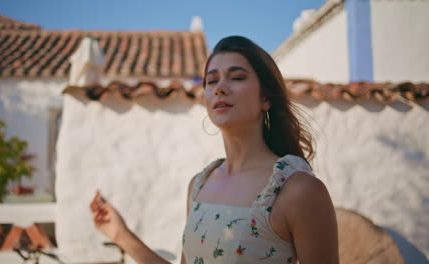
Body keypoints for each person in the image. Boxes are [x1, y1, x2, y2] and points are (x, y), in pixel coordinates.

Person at [90, 36, 339, 264]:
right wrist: (121, 235)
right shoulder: (199, 185)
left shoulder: (297, 190)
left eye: (237, 77)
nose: (220, 87)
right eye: (212, 80)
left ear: (266, 98)